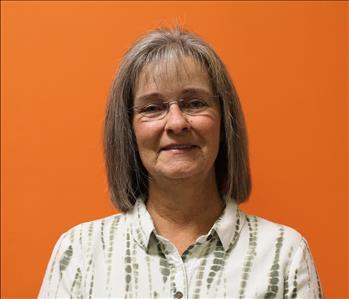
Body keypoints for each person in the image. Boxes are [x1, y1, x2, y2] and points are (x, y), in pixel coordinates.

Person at [39, 27, 323, 298]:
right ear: (128, 130)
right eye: (152, 108)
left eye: (195, 103)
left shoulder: (284, 255)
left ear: (225, 122)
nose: (176, 122)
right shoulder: (79, 253)